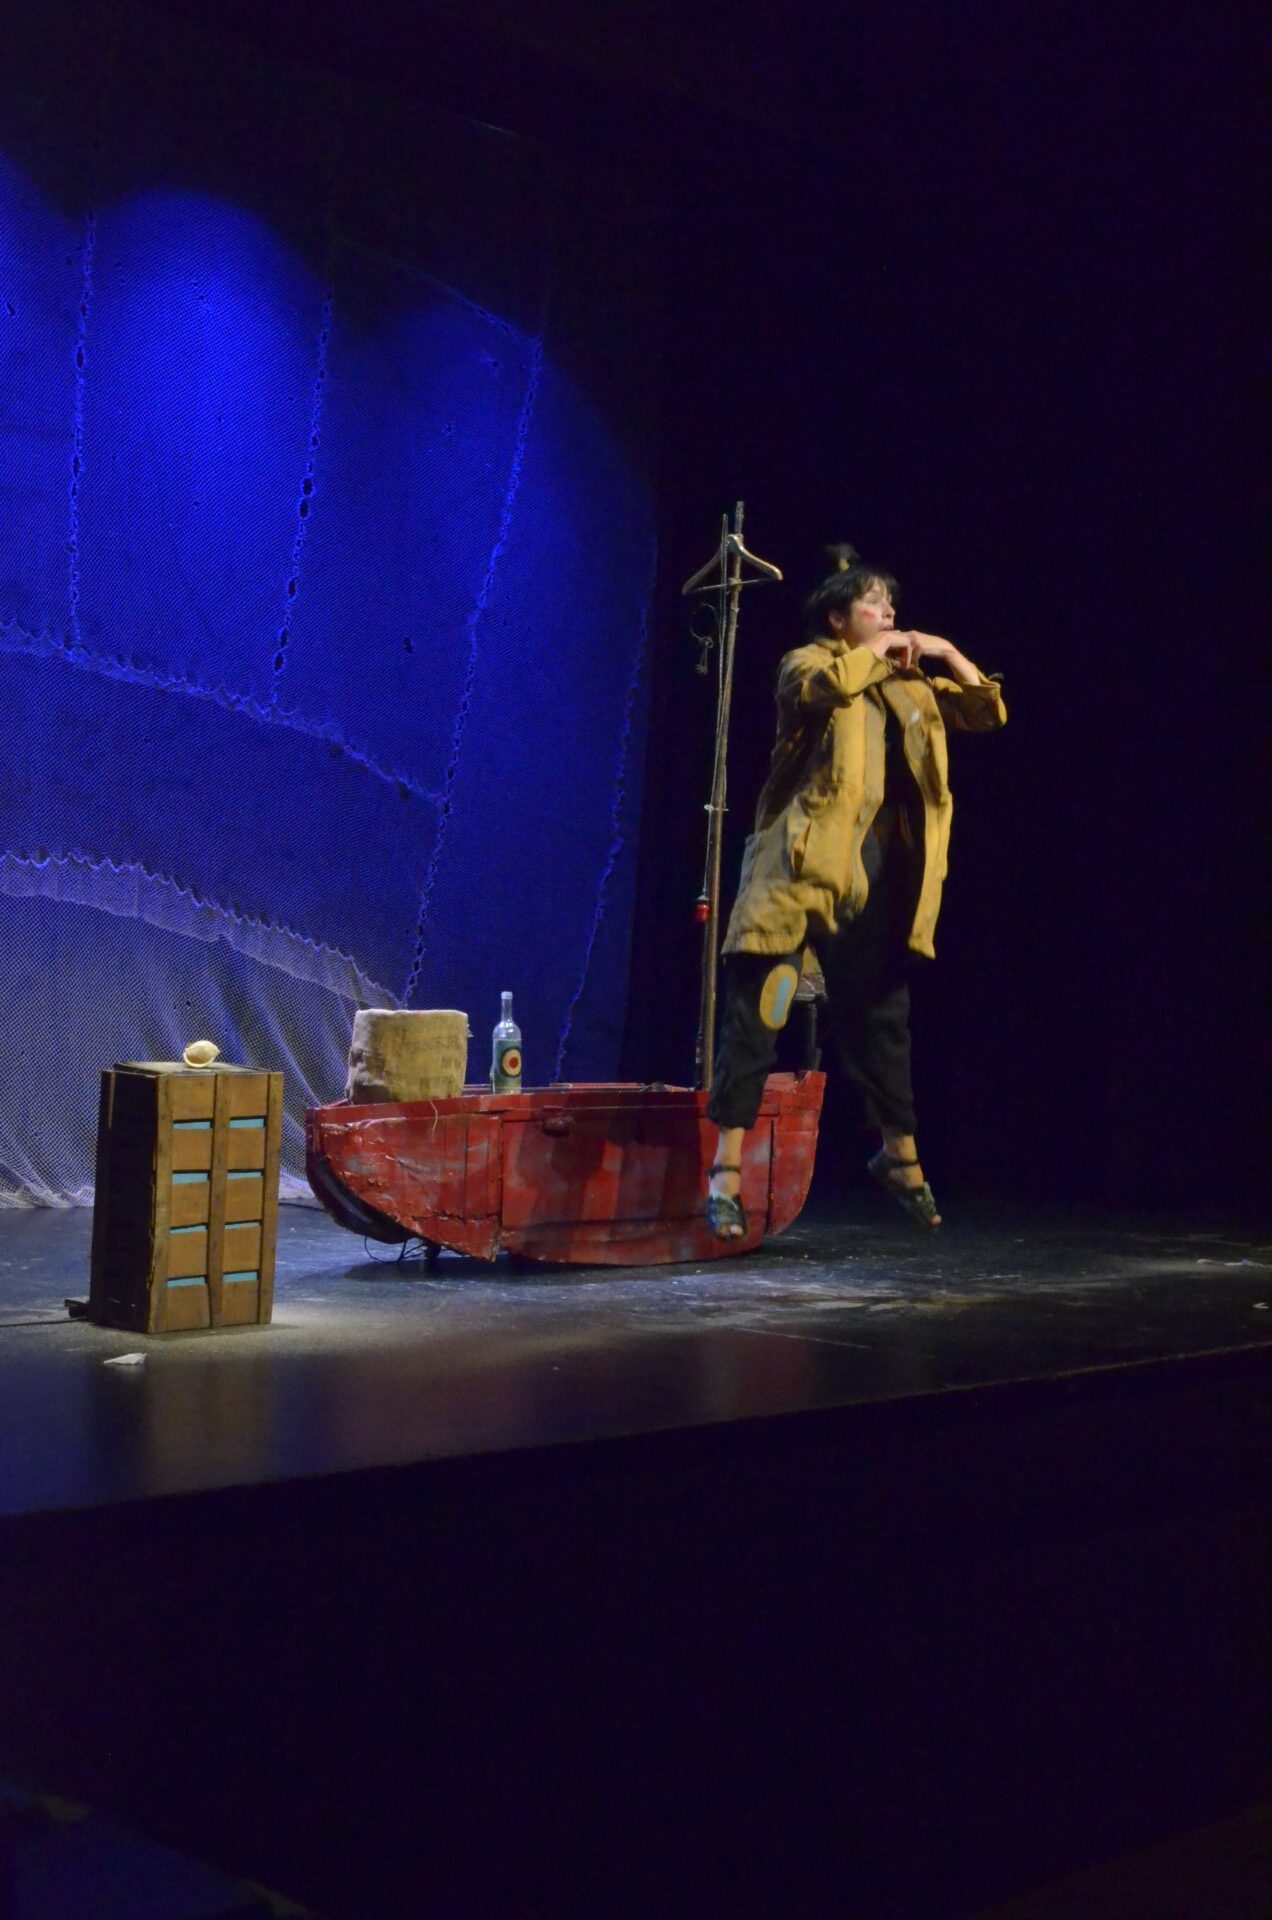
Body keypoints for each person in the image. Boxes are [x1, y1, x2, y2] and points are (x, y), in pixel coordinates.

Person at [704, 543, 1006, 1238]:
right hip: (799, 873)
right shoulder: (808, 664)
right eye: (874, 604)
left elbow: (986, 713)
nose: (890, 614)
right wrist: (880, 652)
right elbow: (823, 689)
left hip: (870, 883)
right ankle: (724, 1173)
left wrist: (945, 651)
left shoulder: (906, 687)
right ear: (837, 618)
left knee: (882, 1017)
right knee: (762, 1012)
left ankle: (900, 1156)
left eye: (892, 605)